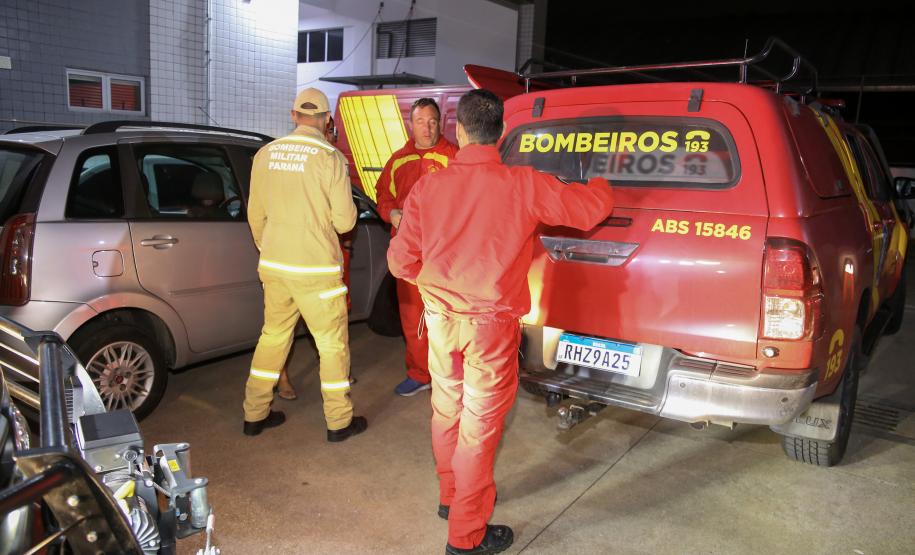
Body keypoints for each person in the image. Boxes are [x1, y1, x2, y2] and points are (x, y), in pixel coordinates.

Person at [387, 89, 614, 554]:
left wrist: (434, 282)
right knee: (478, 428)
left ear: (460, 131)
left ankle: (451, 498)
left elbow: (399, 263)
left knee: (446, 411)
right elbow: (592, 211)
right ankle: (466, 537)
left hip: (442, 322)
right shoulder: (523, 183)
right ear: (502, 133)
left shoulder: (429, 188)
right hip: (490, 330)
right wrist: (604, 181)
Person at [242, 87, 367, 443]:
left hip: (276, 265)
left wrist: (271, 248)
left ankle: (255, 414)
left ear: (293, 115)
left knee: (273, 337)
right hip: (316, 270)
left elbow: (255, 216)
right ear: (327, 120)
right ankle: (339, 422)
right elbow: (345, 222)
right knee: (330, 345)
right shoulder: (330, 157)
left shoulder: (265, 154)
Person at [376, 97, 459, 397]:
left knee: (449, 319)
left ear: (442, 122)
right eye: (421, 121)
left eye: (433, 121)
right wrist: (391, 213)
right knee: (413, 318)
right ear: (411, 124)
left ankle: (449, 377)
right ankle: (420, 373)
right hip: (409, 256)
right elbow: (383, 195)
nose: (427, 127)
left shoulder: (455, 157)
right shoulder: (398, 159)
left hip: (445, 256)